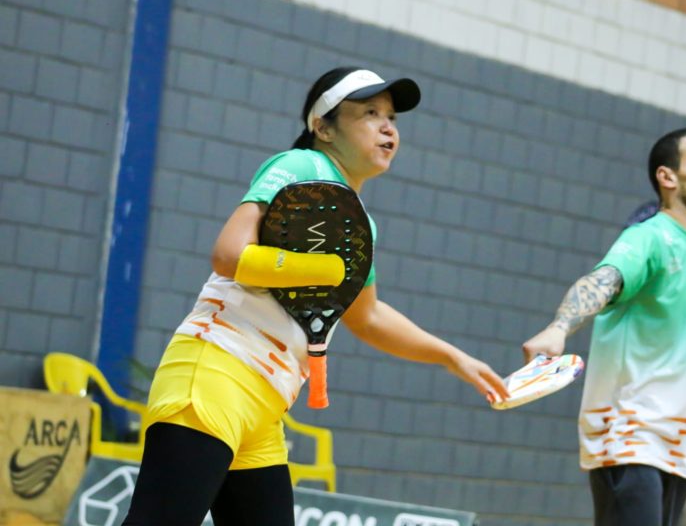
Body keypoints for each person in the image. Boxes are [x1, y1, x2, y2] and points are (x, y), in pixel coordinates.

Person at [123, 66, 509, 525]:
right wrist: (326, 269)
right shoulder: (300, 166)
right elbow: (229, 255)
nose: (388, 126)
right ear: (322, 127)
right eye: (370, 113)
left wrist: (452, 358)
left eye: (392, 117)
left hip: (264, 404)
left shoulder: (360, 221)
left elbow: (367, 318)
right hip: (214, 375)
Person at [522, 128, 686, 526]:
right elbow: (603, 281)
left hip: (680, 449)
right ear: (667, 178)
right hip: (630, 437)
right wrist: (559, 327)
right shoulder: (649, 238)